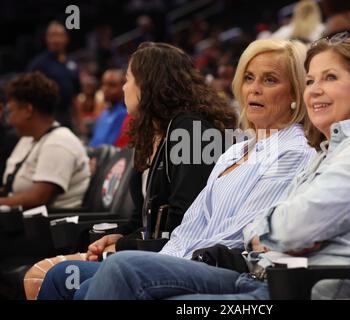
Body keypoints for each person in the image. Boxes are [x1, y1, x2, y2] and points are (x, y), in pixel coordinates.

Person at [78, 33, 350, 300]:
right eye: (311, 80)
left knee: (124, 270)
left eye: (329, 77)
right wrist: (276, 231)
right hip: (260, 279)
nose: (316, 90)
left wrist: (269, 231)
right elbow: (281, 229)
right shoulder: (327, 150)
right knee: (79, 281)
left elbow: (288, 229)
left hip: (299, 290)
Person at [36, 39, 317, 300]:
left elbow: (243, 236)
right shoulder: (237, 150)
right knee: (62, 277)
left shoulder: (292, 152)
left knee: (122, 268)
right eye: (248, 78)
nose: (254, 88)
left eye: (269, 80)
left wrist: (160, 259)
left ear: (295, 91)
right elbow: (189, 225)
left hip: (234, 270)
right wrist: (164, 257)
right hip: (187, 258)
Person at [24, 42, 238, 299]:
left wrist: (122, 245)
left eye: (128, 79)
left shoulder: (192, 132)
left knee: (75, 286)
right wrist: (118, 234)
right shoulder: (150, 135)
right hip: (151, 251)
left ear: (148, 84)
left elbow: (185, 221)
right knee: (59, 276)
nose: (125, 87)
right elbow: (142, 221)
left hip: (182, 258)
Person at [0, 72, 90, 209]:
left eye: (11, 112)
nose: (10, 120)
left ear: (28, 110)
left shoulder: (59, 142)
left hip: (47, 227)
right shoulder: (28, 139)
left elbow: (38, 198)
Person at [27, 21, 81, 130]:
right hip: (44, 116)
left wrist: (80, 122)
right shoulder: (38, 64)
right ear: (47, 39)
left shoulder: (72, 65)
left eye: (59, 35)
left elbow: (75, 96)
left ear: (66, 38)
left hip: (66, 116)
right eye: (52, 36)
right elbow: (27, 93)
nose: (56, 40)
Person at [88, 69, 127, 147]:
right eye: (104, 84)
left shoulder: (124, 115)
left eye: (112, 85)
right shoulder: (104, 113)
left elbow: (111, 146)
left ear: (124, 87)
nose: (105, 89)